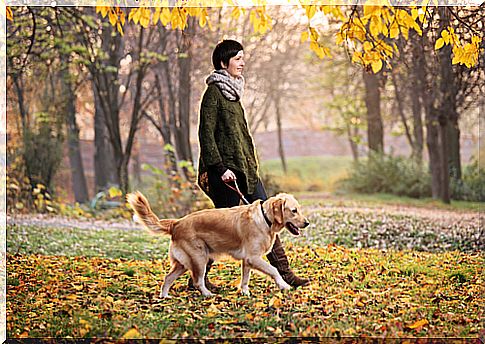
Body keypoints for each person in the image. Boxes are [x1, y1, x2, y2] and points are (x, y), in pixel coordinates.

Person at [195, 39, 310, 290]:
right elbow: (206, 135)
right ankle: (199, 279)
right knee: (220, 227)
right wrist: (219, 167)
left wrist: (251, 165)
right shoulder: (213, 93)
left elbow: (239, 137)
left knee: (270, 217)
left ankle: (285, 273)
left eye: (242, 57)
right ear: (223, 63)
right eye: (237, 58)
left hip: (245, 171)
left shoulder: (234, 92)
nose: (242, 62)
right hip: (222, 173)